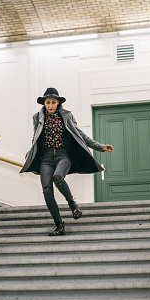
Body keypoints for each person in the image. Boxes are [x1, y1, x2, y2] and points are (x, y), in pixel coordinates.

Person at [20, 87, 114, 236]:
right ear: (44, 103)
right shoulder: (37, 117)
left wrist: (100, 147)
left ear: (58, 103)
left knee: (57, 177)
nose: (50, 105)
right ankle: (59, 224)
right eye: (48, 102)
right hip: (46, 158)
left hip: (63, 156)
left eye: (53, 102)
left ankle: (72, 204)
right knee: (47, 191)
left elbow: (80, 135)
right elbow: (36, 137)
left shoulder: (67, 116)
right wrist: (31, 152)